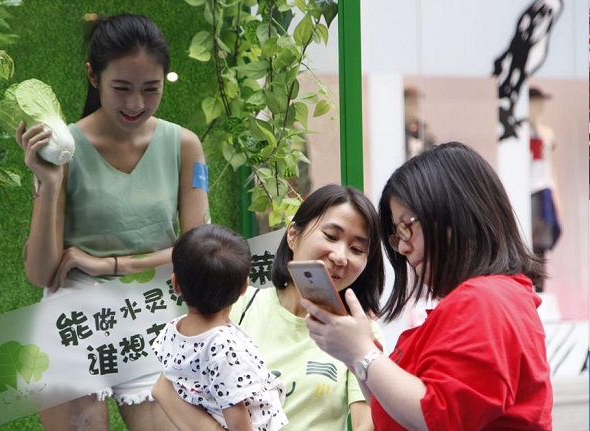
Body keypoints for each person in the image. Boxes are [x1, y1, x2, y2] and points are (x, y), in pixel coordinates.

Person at [16, 13, 209, 431]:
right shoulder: (62, 149)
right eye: (122, 88)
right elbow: (40, 273)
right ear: (93, 76)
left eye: (150, 89)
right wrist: (49, 183)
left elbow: (199, 253)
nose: (136, 104)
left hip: (153, 312)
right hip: (75, 320)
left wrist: (111, 264)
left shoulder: (184, 146)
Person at [303, 142, 553, 430]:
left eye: (406, 227)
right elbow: (397, 412)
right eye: (397, 235)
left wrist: (362, 352)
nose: (403, 247)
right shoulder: (493, 296)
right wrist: (357, 354)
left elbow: (438, 414)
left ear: (454, 215)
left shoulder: (484, 299)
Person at [154, 183, 387, 431]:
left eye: (357, 249)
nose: (340, 257)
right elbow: (166, 389)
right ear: (293, 235)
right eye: (331, 236)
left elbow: (366, 424)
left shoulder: (361, 332)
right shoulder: (236, 305)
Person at [152, 224, 288, 431]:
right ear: (244, 287)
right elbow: (237, 419)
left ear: (176, 284)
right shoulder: (226, 350)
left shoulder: (172, 329)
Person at [529, 86, 562, 292]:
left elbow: (549, 167)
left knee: (543, 241)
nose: (540, 107)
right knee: (526, 239)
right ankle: (528, 285)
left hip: (543, 190)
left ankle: (540, 288)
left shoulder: (547, 133)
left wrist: (555, 196)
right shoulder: (518, 132)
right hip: (527, 191)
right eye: (536, 102)